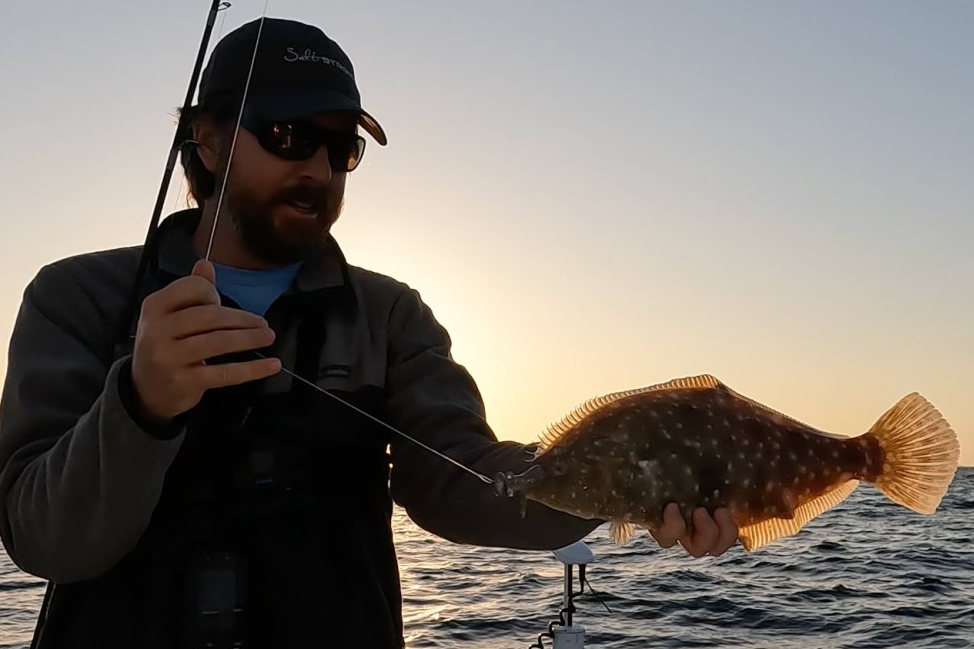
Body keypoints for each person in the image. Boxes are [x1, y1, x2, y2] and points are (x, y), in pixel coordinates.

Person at [0, 16, 738, 649]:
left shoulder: (390, 313)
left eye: (341, 147)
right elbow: (43, 539)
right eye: (289, 135)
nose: (319, 168)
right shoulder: (79, 297)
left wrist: (641, 478)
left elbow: (460, 482)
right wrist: (139, 403)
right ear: (209, 140)